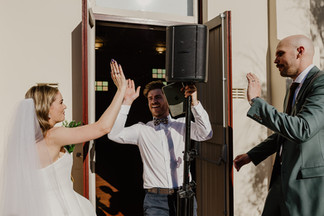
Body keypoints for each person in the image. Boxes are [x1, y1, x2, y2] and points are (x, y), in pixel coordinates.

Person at [1, 59, 127, 216]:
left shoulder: (26, 143)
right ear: (47, 109)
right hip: (62, 209)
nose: (65, 106)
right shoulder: (53, 135)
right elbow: (102, 127)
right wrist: (121, 90)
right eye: (61, 102)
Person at [233, 35, 324, 216]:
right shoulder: (294, 88)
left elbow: (302, 129)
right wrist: (252, 155)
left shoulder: (320, 83)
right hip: (281, 180)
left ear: (300, 52)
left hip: (305, 184)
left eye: (280, 54)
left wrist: (257, 101)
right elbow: (285, 132)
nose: (275, 60)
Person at [107, 79, 213, 216]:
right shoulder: (142, 130)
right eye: (150, 98)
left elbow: (206, 133)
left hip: (184, 195)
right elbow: (113, 134)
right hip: (155, 201)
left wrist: (195, 103)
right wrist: (127, 102)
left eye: (158, 97)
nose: (153, 101)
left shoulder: (182, 125)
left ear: (167, 100)